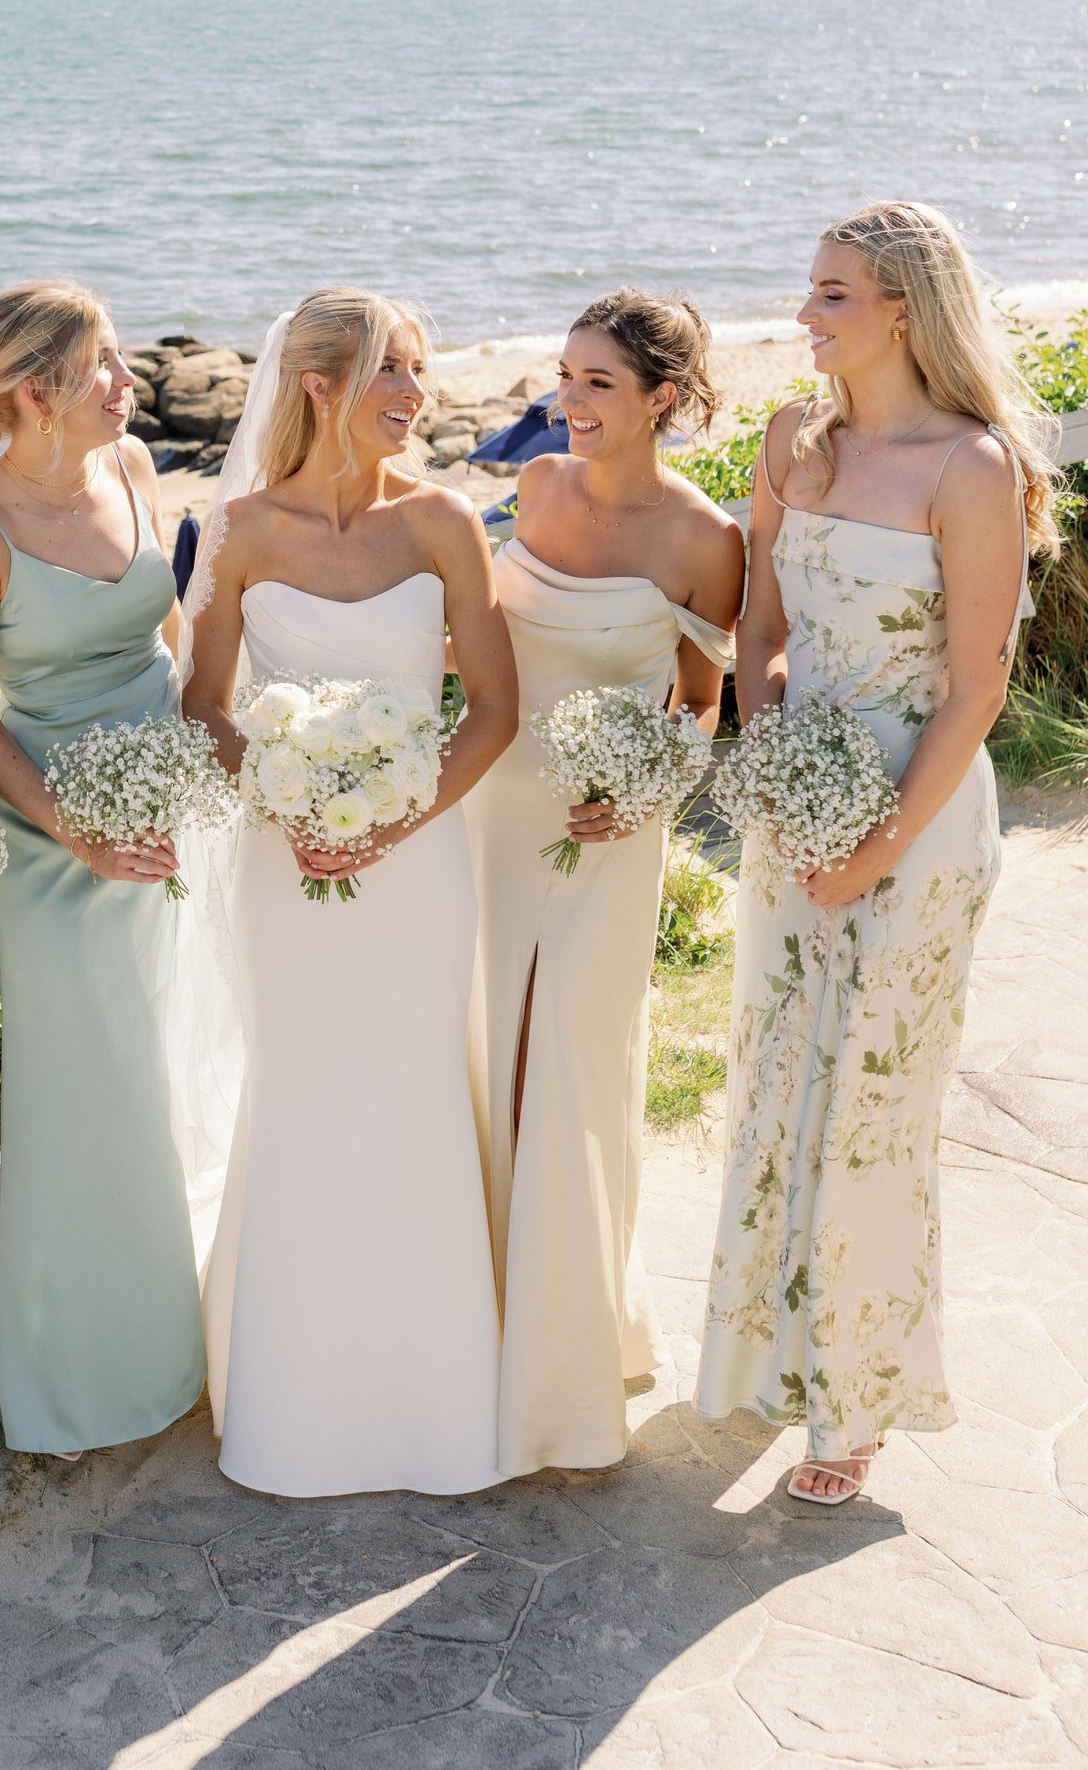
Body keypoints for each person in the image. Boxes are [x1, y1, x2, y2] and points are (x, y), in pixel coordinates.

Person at [696, 202, 1055, 1505]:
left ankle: (854, 1401)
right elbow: (759, 627)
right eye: (810, 290)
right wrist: (781, 772)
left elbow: (976, 689)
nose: (805, 314)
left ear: (905, 308)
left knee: (872, 1106)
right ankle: (764, 1364)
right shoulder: (792, 439)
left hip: (923, 821)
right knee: (778, 1080)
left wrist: (872, 844)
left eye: (832, 294)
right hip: (799, 809)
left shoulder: (971, 467)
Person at [183, 288, 518, 1498]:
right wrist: (289, 807)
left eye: (418, 371)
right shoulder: (239, 529)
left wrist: (390, 819)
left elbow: (493, 710)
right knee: (308, 1090)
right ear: (318, 382)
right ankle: (296, 1404)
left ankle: (433, 1406)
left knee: (411, 1092)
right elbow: (204, 706)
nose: (414, 394)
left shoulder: (443, 521)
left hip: (418, 868)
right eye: (391, 369)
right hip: (287, 867)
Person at [0, 281, 221, 1458]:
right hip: (50, 840)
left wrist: (198, 760)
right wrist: (75, 828)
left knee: (166, 1070)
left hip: (166, 814)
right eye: (104, 361)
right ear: (38, 389)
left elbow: (170, 639)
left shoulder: (135, 468)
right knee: (81, 1088)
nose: (127, 380)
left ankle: (177, 1327)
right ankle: (84, 1368)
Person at [464, 290, 744, 1479]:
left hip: (607, 833)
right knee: (491, 1052)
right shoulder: (535, 487)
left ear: (660, 399)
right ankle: (483, 1324)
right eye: (563, 374)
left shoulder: (704, 539)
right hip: (494, 814)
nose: (566, 401)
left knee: (572, 1065)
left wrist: (647, 792)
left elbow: (703, 700)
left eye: (596, 383)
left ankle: (569, 1364)